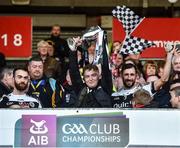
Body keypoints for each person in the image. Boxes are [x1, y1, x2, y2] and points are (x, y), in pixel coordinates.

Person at [68, 36, 112, 108]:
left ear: (99, 76)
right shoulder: (81, 89)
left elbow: (106, 66)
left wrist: (101, 41)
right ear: (84, 79)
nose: (90, 79)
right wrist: (73, 50)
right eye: (87, 76)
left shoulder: (105, 88)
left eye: (93, 75)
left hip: (103, 119)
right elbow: (74, 72)